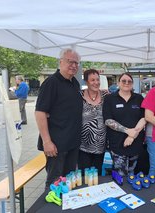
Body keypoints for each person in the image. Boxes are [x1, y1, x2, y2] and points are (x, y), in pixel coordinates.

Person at [35, 48, 83, 188]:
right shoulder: (51, 83)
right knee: (54, 183)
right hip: (56, 145)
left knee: (68, 182)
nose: (74, 65)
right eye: (70, 61)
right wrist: (47, 142)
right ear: (60, 62)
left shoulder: (74, 83)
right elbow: (40, 113)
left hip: (72, 143)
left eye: (76, 63)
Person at [103, 73, 146, 176]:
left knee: (131, 173)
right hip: (117, 143)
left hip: (135, 143)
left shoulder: (139, 98)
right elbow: (108, 121)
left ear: (132, 84)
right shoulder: (110, 98)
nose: (126, 83)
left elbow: (144, 118)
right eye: (123, 81)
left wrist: (132, 135)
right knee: (120, 175)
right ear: (118, 83)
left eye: (129, 81)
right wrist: (127, 131)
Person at [78, 69, 109, 173]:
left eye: (97, 79)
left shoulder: (106, 96)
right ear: (86, 82)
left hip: (100, 145)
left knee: (97, 174)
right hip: (83, 146)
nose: (96, 82)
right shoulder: (79, 96)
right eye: (92, 80)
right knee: (84, 174)